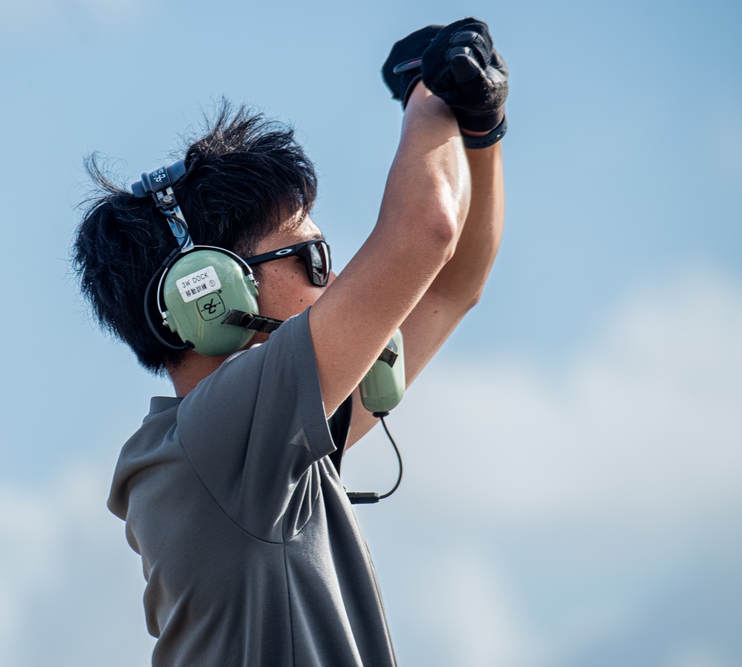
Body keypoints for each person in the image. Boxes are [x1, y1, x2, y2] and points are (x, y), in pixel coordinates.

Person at [72, 18, 507, 666]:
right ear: (209, 289)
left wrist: (478, 133)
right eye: (310, 256)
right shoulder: (221, 435)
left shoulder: (255, 448)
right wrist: (430, 93)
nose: (333, 281)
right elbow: (429, 228)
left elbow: (449, 286)